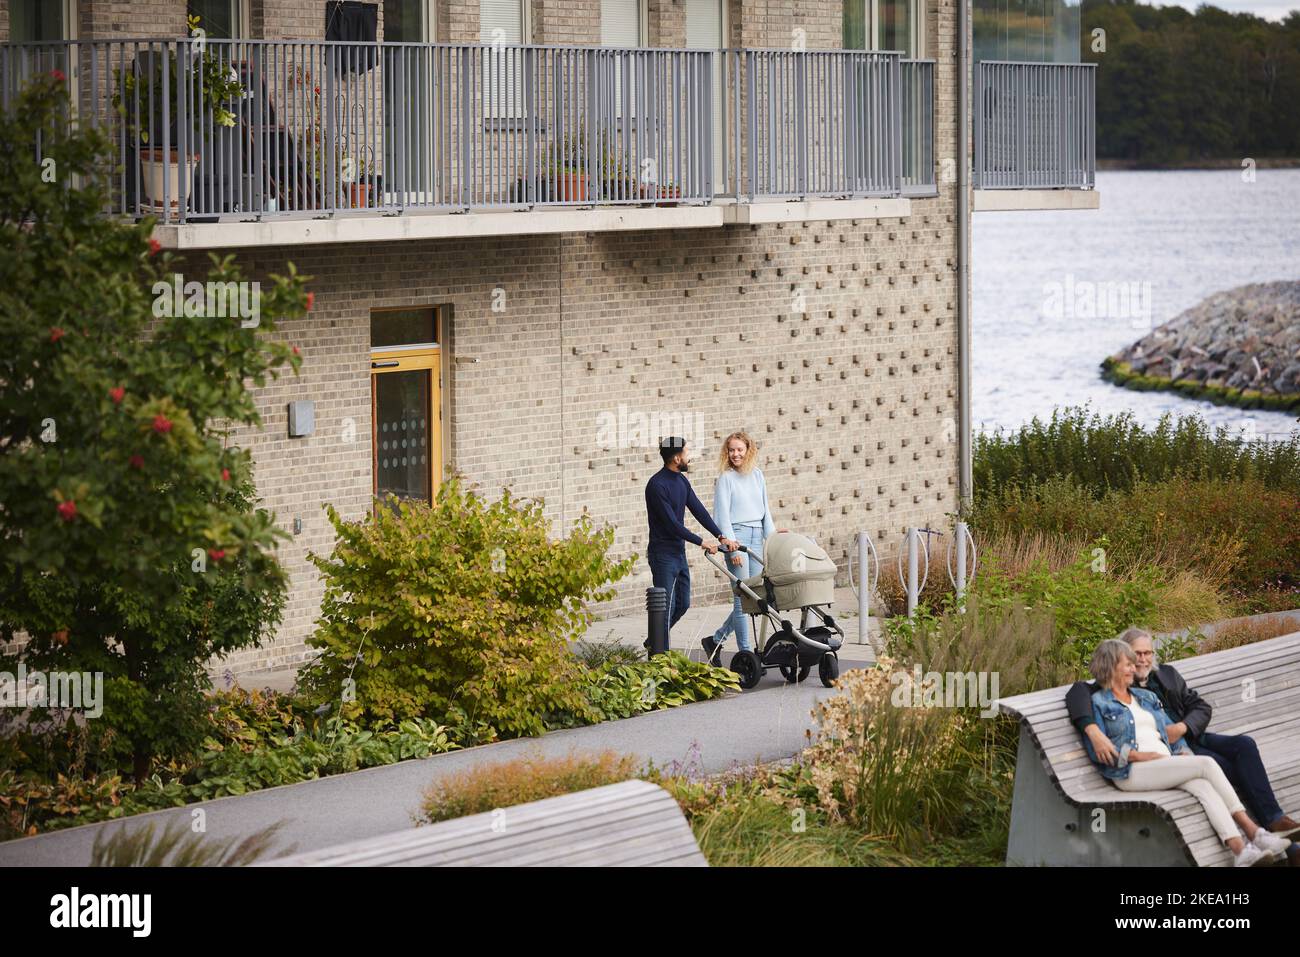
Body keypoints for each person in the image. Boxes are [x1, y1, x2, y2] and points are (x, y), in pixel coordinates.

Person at [1067, 626, 1299, 843]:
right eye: (1137, 654)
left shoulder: (1166, 674)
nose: (1143, 660)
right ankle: (1280, 842)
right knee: (1227, 769)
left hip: (1191, 737)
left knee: (1245, 744)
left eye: (1148, 653)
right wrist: (1093, 730)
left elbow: (1201, 706)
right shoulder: (1114, 687)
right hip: (1171, 752)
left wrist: (1182, 728)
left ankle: (1275, 819)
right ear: (1124, 657)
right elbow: (1077, 692)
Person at [644, 437, 737, 648]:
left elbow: (698, 510)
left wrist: (720, 535)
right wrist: (701, 541)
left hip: (678, 553)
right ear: (677, 457)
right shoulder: (656, 485)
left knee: (683, 604)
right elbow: (671, 524)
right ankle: (661, 657)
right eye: (687, 453)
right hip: (662, 555)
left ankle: (654, 640)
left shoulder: (681, 481)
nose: (689, 456)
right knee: (665, 608)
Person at [703, 431, 778, 666]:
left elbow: (766, 510)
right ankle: (747, 654)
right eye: (731, 450)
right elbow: (721, 515)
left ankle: (716, 639)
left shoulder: (757, 475)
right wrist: (731, 547)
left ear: (748, 450)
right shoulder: (725, 478)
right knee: (741, 598)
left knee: (756, 598)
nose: (735, 454)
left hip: (756, 536)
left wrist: (773, 541)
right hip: (737, 537)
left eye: (739, 449)